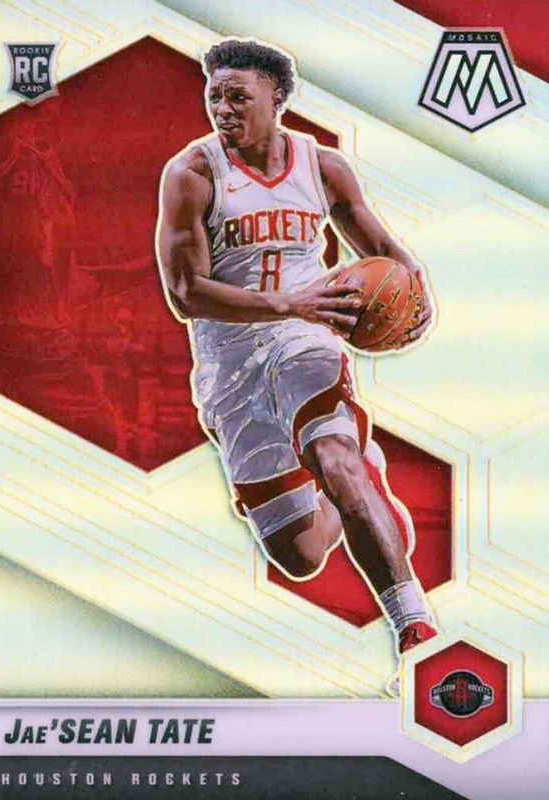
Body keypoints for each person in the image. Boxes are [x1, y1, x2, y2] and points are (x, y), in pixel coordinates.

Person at [155, 39, 437, 675]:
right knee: (301, 555)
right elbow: (185, 293)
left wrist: (418, 293)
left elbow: (382, 247)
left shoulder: (322, 166)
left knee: (334, 456)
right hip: (229, 359)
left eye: (238, 97)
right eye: (214, 96)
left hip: (305, 341)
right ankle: (350, 483)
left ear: (277, 98)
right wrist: (288, 301)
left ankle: (413, 623)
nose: (223, 109)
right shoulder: (192, 173)